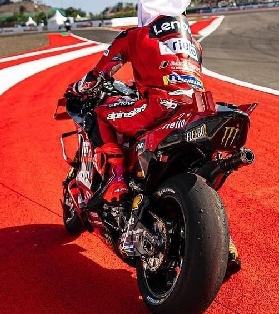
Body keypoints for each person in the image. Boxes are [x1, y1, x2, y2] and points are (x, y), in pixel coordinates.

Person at [64, 13, 204, 208]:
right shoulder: (195, 45)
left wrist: (77, 89)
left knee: (99, 114)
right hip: (195, 108)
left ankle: (117, 177)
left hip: (158, 107)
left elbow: (97, 76)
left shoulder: (136, 35)